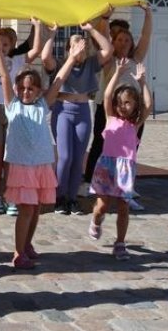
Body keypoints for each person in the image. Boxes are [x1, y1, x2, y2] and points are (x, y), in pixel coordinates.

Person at [0, 32, 84, 269]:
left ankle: (27, 244)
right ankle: (18, 253)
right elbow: (4, 75)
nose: (26, 92)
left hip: (41, 165)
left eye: (31, 89)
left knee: (35, 209)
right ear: (17, 89)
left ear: (37, 90)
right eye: (22, 88)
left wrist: (72, 58)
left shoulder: (42, 105)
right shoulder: (12, 106)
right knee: (26, 210)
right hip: (22, 167)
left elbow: (58, 81)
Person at [41, 21, 113, 215]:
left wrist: (91, 30)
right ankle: (59, 197)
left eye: (84, 46)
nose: (81, 49)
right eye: (76, 46)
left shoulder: (90, 64)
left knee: (78, 158)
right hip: (63, 110)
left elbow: (108, 50)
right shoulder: (60, 64)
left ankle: (72, 199)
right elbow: (45, 57)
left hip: (82, 111)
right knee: (65, 157)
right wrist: (52, 35)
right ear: (68, 49)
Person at [84, 4, 152, 205]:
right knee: (100, 144)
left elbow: (146, 37)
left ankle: (125, 184)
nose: (123, 43)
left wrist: (148, 14)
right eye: (120, 39)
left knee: (131, 147)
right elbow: (104, 38)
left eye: (127, 40)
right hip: (109, 109)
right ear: (114, 42)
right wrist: (105, 18)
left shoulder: (136, 58)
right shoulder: (109, 59)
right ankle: (91, 180)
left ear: (131, 43)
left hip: (132, 110)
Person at [88, 59, 152, 261]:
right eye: (120, 102)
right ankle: (96, 221)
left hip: (125, 170)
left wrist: (142, 83)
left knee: (123, 208)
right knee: (102, 207)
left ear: (134, 105)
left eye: (128, 102)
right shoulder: (110, 119)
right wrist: (117, 73)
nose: (123, 106)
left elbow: (148, 105)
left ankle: (120, 243)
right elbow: (107, 95)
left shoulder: (135, 125)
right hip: (106, 167)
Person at [0, 20, 43, 216]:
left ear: (13, 44)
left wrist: (37, 26)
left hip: (12, 111)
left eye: (6, 44)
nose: (2, 47)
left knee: (11, 157)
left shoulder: (18, 60)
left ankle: (10, 196)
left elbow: (36, 49)